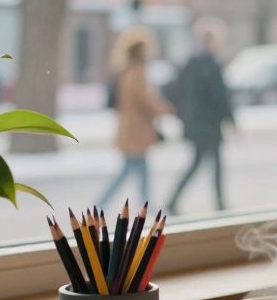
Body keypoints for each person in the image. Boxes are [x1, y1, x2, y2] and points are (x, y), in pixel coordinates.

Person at [165, 17, 235, 215]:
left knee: (203, 163)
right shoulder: (210, 65)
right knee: (208, 163)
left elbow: (176, 93)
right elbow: (220, 97)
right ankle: (218, 203)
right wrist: (231, 120)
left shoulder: (190, 63)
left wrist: (184, 118)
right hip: (209, 124)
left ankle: (177, 200)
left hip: (196, 124)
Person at [98, 27, 172, 209]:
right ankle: (100, 206)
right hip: (135, 131)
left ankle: (146, 205)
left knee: (138, 170)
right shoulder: (135, 72)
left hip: (133, 131)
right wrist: (163, 108)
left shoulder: (127, 70)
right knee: (128, 171)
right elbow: (143, 99)